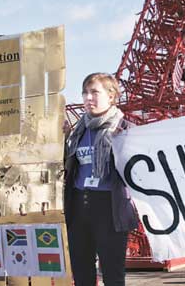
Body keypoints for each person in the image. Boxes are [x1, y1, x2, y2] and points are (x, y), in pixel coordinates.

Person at [63, 73, 138, 286]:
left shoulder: (125, 129)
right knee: (82, 274)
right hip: (79, 206)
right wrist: (61, 140)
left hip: (110, 208)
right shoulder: (77, 130)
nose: (88, 98)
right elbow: (66, 167)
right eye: (85, 93)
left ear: (111, 96)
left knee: (113, 275)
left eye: (95, 92)